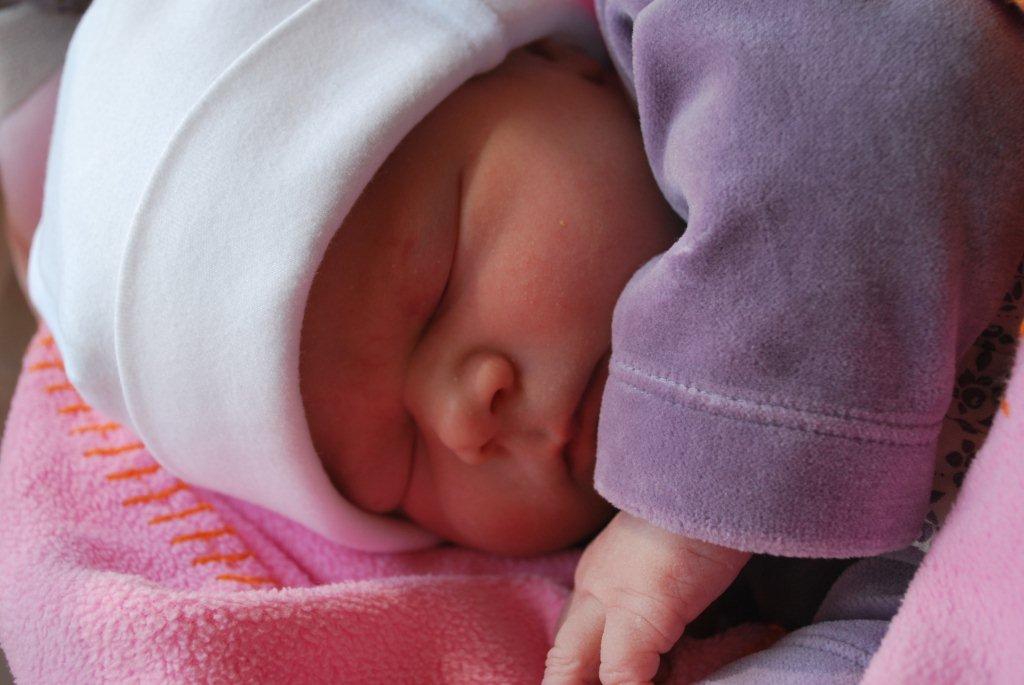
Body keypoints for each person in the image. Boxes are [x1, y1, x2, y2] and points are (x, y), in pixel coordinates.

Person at [4, 1, 1023, 683]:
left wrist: (686, 512)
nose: (464, 415)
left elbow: (887, 93)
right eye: (398, 465)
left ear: (549, 62)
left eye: (433, 285)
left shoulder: (710, 35)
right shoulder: (675, 590)